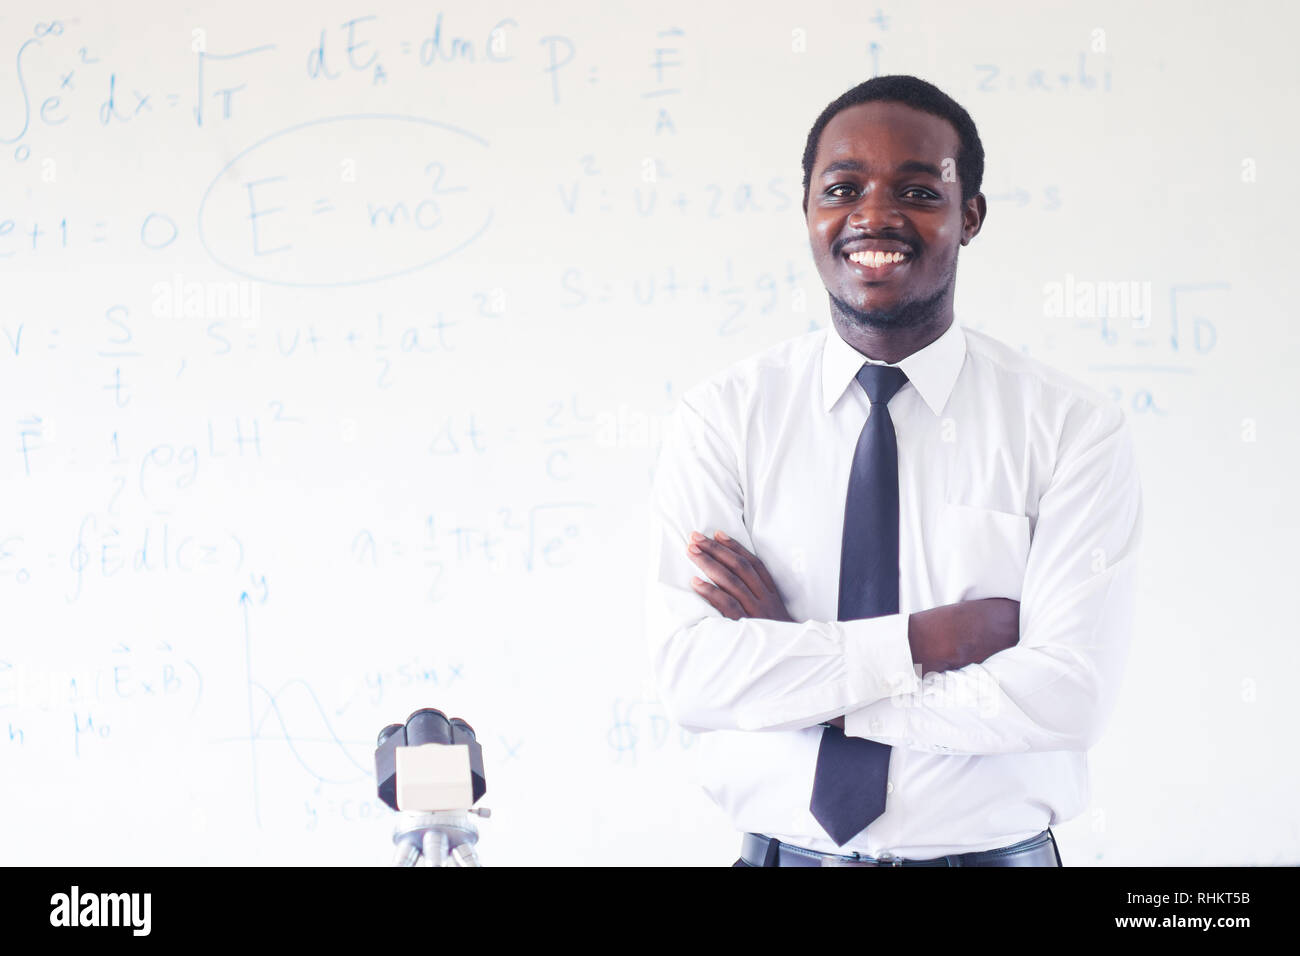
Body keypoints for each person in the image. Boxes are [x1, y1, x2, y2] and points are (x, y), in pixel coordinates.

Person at [645, 75, 1143, 867]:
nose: (873, 215)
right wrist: (921, 642)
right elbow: (694, 680)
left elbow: (1065, 697)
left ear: (968, 217)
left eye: (917, 189)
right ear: (808, 211)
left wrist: (802, 669)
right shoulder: (722, 419)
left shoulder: (1072, 430)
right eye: (842, 187)